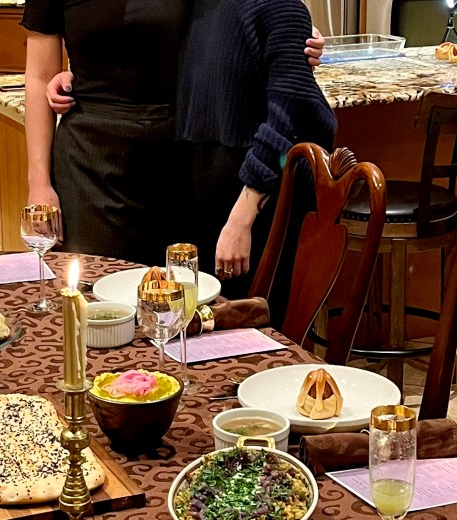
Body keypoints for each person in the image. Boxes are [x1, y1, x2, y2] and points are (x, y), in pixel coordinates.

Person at [22, 1, 325, 265]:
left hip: (179, 158)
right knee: (96, 299)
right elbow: (38, 75)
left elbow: (224, 24)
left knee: (175, 304)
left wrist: (290, 33)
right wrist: (39, 183)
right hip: (89, 158)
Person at [179, 0, 337, 297]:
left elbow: (290, 117)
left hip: (255, 201)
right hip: (208, 195)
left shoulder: (280, 5)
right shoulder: (198, 9)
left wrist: (242, 218)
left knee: (257, 333)